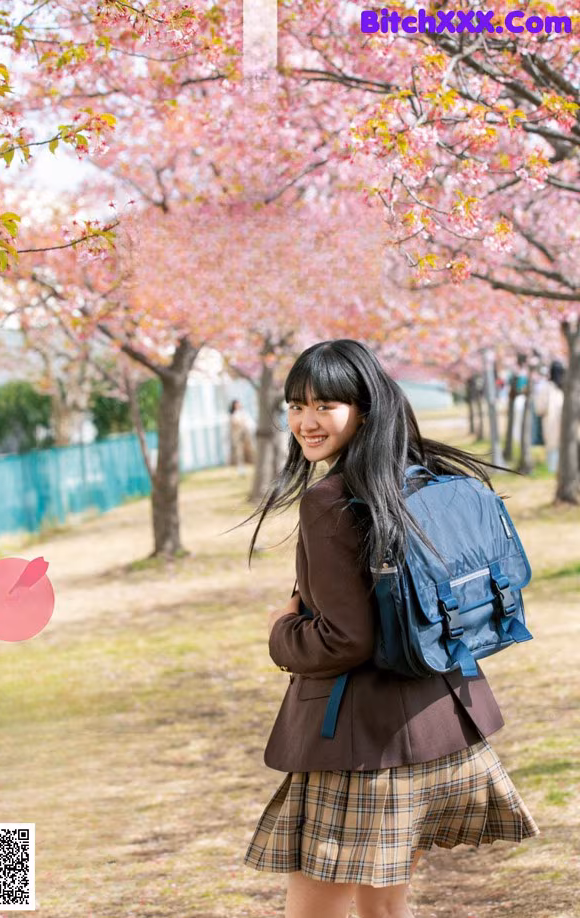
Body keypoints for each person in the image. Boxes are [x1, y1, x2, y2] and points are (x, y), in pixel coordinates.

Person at [241, 339, 539, 918]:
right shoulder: (423, 478)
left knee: (316, 910)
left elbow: (345, 639)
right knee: (383, 908)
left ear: (365, 409)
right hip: (442, 720)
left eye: (324, 405)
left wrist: (281, 632)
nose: (305, 421)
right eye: (295, 405)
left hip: (360, 743)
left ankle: (2, 889)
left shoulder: (331, 500)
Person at [533, 360, 565, 473]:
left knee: (553, 448)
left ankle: (553, 472)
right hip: (566, 426)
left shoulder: (546, 387)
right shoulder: (566, 386)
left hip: (550, 424)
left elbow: (539, 408)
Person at [229, 399, 256, 475]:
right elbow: (235, 424)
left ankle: (253, 465)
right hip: (238, 437)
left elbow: (248, 423)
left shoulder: (243, 413)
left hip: (246, 436)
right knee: (239, 453)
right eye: (236, 404)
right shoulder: (233, 415)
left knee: (250, 451)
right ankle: (241, 468)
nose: (238, 405)